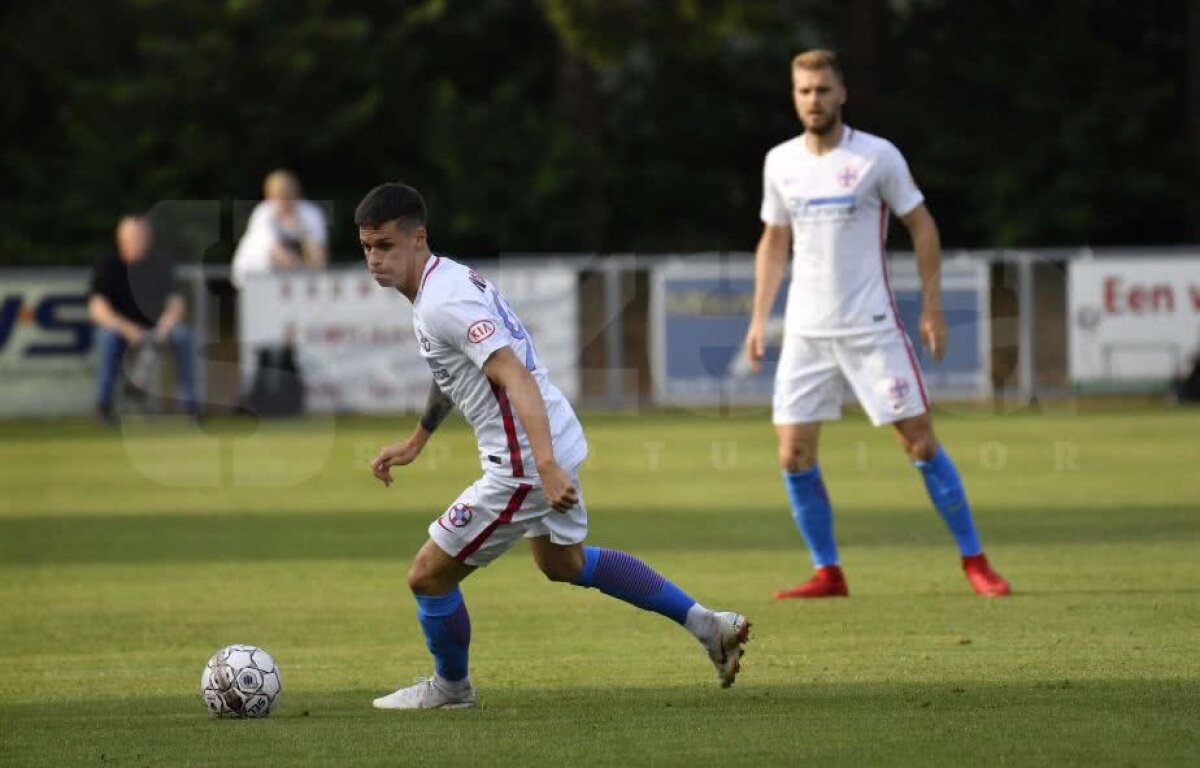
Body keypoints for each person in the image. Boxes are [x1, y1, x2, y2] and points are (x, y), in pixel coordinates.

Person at [358, 182, 750, 709]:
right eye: (366, 247)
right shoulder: (443, 284)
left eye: (384, 245)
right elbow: (452, 369)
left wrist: (542, 465)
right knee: (563, 564)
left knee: (427, 577)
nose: (374, 259)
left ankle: (451, 690)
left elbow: (513, 375)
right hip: (550, 437)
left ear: (417, 237)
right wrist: (418, 439)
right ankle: (709, 625)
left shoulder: (443, 302)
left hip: (523, 460)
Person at [744, 50, 1010, 599]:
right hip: (806, 332)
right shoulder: (780, 163)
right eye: (803, 91)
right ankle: (828, 572)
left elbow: (922, 223)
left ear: (842, 94)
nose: (813, 100)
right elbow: (774, 241)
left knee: (919, 445)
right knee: (793, 454)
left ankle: (975, 561)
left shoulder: (877, 156)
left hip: (872, 327)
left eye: (822, 90)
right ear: (793, 96)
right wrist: (758, 317)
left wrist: (931, 306)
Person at [88, 215, 197, 423]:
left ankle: (190, 407)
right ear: (121, 238)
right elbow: (97, 308)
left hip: (156, 329)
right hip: (119, 329)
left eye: (143, 235)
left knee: (183, 336)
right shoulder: (108, 266)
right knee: (108, 339)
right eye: (134, 236)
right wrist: (127, 329)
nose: (140, 240)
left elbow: (176, 302)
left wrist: (165, 327)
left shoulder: (159, 264)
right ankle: (103, 406)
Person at [231, 169, 328, 289]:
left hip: (285, 282)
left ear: (297, 193)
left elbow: (319, 256)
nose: (284, 201)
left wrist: (303, 231)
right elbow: (278, 254)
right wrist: (303, 271)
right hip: (252, 276)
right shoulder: (263, 213)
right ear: (269, 196)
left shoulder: (310, 213)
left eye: (288, 195)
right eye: (279, 196)